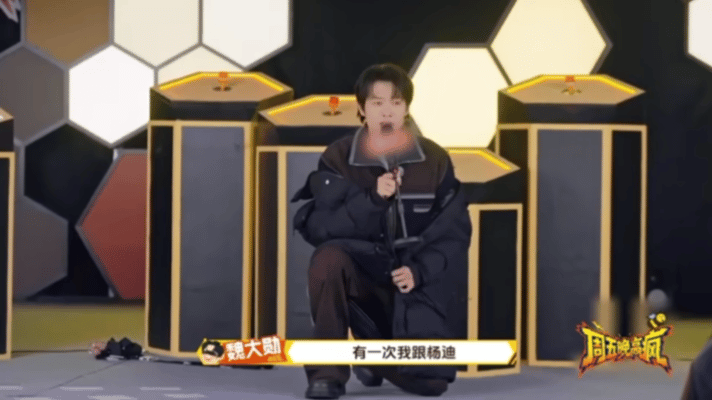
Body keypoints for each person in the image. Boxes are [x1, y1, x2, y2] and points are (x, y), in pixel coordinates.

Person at [291, 63, 472, 399]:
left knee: (431, 385)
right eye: (377, 103)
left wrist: (419, 270)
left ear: (406, 108)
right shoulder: (338, 157)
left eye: (396, 102)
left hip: (411, 284)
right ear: (361, 109)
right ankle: (327, 374)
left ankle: (372, 358)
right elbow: (321, 228)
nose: (387, 111)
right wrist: (372, 199)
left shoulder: (434, 159)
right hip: (363, 278)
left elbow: (455, 233)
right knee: (327, 260)